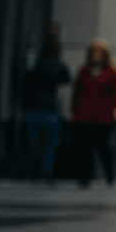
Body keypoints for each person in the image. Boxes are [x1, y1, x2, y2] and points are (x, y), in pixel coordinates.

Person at [71, 39, 116, 188]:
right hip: (84, 115)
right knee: (84, 147)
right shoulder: (84, 70)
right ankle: (84, 177)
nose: (96, 55)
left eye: (99, 52)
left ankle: (109, 175)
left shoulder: (111, 72)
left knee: (103, 146)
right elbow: (77, 92)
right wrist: (74, 111)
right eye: (93, 52)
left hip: (104, 117)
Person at [21, 27, 71, 185]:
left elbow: (27, 80)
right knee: (50, 144)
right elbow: (66, 79)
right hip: (50, 110)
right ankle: (46, 172)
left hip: (33, 109)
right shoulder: (60, 66)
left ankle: (32, 172)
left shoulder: (35, 64)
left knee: (34, 143)